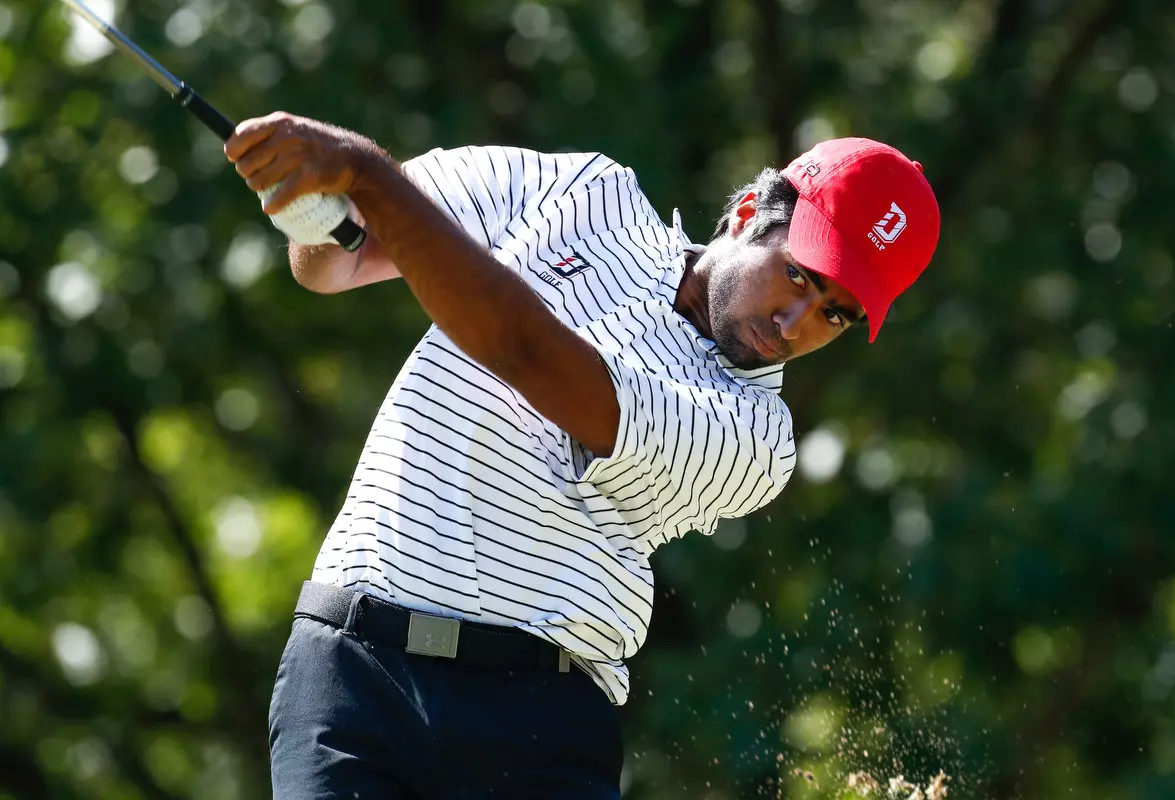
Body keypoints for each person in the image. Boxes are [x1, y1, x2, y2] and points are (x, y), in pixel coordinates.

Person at [223, 112, 940, 799]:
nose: (794, 323)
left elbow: (528, 354)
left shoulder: (754, 437)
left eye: (834, 314)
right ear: (749, 212)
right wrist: (313, 201)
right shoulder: (584, 194)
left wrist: (363, 171)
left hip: (533, 728)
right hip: (351, 677)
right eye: (799, 275)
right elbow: (337, 261)